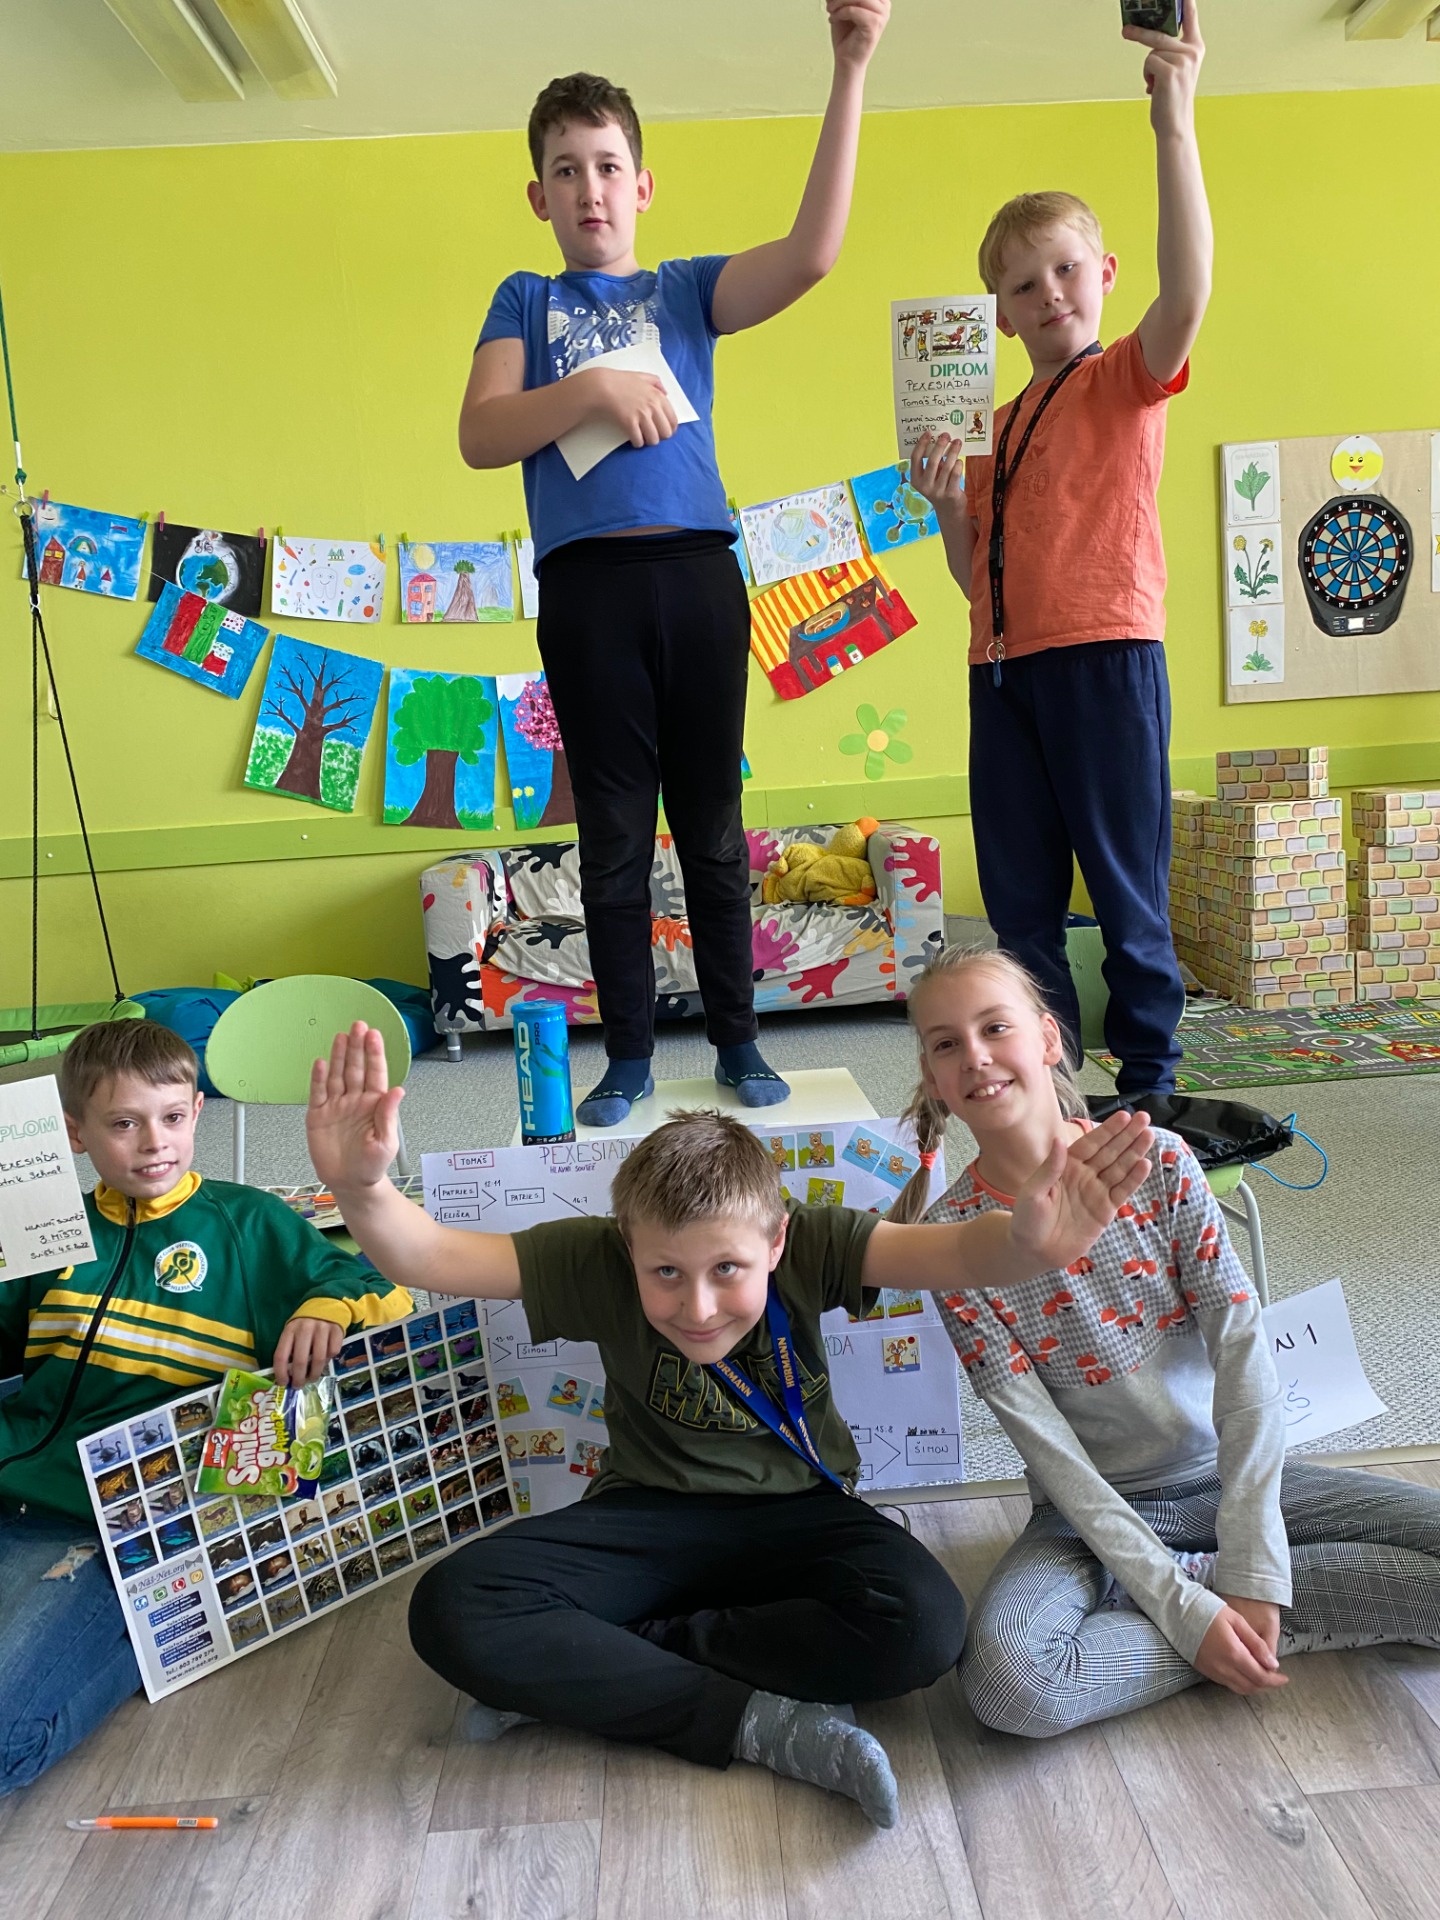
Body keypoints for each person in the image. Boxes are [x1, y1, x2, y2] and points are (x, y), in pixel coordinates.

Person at [305, 1022, 1153, 1824]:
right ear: (627, 1246)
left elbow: (960, 1251)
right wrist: (361, 1189)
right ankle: (755, 1723)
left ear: (777, 1242)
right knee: (453, 1605)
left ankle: (614, 1658)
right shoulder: (595, 1257)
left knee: (926, 1628)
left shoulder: (815, 1242)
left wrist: (1032, 1247)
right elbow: (431, 1254)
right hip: (645, 1514)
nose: (699, 1307)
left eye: (728, 1270)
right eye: (665, 1273)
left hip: (802, 1512)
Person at [461, 1, 890, 1128]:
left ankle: (739, 1042)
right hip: (588, 590)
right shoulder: (525, 299)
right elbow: (482, 433)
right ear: (539, 195)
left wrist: (849, 67)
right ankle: (629, 1060)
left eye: (609, 166)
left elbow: (813, 253)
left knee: (711, 823)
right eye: (566, 170)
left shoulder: (687, 288)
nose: (590, 189)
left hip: (699, 577)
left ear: (642, 185)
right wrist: (593, 390)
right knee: (613, 832)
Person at [891, 943, 1440, 1735]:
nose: (974, 1056)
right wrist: (1183, 1612)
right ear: (932, 1076)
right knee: (1012, 1685)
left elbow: (1246, 1360)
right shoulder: (951, 1245)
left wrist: (1253, 1559)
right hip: (1090, 1521)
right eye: (947, 1043)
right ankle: (1226, 1621)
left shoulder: (1164, 1166)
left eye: (994, 1027)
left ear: (1047, 1038)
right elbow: (1053, 1455)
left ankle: (1239, 1605)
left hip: (1228, 1479)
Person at [908, 3, 1211, 1102]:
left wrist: (1173, 119)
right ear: (998, 313)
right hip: (1002, 676)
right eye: (1024, 286)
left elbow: (1191, 288)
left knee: (1126, 890)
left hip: (1105, 660)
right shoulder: (988, 429)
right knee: (1021, 904)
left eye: (1067, 271)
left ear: (1104, 272)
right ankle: (1051, 1085)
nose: (1049, 295)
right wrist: (947, 503)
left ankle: (1151, 1085)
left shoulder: (1125, 378)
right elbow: (972, 583)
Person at [0, 1020, 414, 1795]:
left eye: (171, 1118)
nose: (153, 1142)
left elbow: (384, 1292)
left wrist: (327, 1304)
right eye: (123, 1124)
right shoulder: (47, 1228)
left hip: (123, 1525)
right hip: (18, 1483)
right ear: (76, 1134)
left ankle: (147, 1633)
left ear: (197, 1112)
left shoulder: (246, 1221)